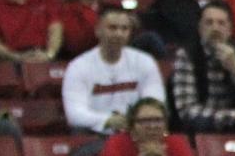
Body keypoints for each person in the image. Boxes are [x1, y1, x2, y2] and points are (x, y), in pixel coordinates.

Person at [169, 0, 235, 136]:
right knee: (196, 122)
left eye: (221, 23)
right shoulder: (187, 55)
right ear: (200, 28)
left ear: (230, 30)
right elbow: (187, 111)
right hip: (206, 124)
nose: (215, 28)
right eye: (209, 23)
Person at [62, 9, 166, 142]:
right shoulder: (78, 66)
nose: (119, 34)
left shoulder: (145, 61)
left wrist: (132, 121)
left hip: (136, 133)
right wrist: (109, 120)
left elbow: (155, 104)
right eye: (112, 28)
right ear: (98, 31)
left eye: (124, 29)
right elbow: (74, 115)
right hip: (94, 135)